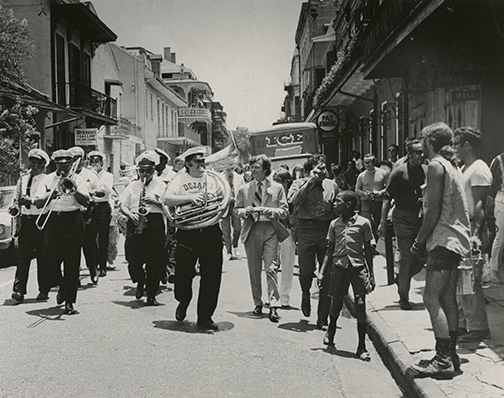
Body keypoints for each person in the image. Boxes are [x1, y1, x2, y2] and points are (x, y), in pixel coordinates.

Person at [408, 122, 471, 379]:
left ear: (429, 141)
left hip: (443, 240)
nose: (421, 145)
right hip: (455, 239)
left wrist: (419, 241)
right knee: (446, 298)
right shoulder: (451, 165)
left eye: (423, 139)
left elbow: (432, 210)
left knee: (431, 297)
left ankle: (443, 358)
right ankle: (451, 355)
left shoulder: (435, 165)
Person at [163, 147, 225, 330]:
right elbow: (166, 199)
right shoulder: (180, 179)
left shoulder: (214, 178)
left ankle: (205, 317)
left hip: (211, 230)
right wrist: (190, 198)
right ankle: (183, 300)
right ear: (188, 164)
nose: (203, 165)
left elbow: (225, 198)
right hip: (188, 232)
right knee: (182, 274)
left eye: (204, 161)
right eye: (198, 162)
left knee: (212, 277)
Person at [317, 190, 375, 360]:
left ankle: (361, 346)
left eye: (337, 202)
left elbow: (368, 251)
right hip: (339, 266)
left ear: (348, 205)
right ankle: (331, 330)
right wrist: (321, 273)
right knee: (336, 302)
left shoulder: (364, 223)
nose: (334, 205)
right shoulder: (334, 224)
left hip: (357, 267)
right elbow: (330, 250)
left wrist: (371, 275)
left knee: (360, 303)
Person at [235, 155, 289, 323]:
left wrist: (270, 211)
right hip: (252, 229)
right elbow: (236, 210)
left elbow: (285, 210)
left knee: (271, 268)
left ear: (266, 169)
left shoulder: (277, 187)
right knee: (254, 268)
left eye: (257, 167)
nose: (253, 170)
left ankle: (274, 305)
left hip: (270, 229)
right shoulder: (244, 189)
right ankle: (257, 302)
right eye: (252, 167)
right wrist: (245, 212)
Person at [35, 149, 90, 315]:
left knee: (72, 262)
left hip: (73, 219)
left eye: (67, 163)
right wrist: (51, 195)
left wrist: (73, 190)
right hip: (53, 219)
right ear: (55, 164)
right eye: (60, 163)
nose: (63, 166)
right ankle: (63, 285)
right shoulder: (47, 179)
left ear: (71, 163)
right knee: (49, 258)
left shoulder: (78, 179)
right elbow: (38, 203)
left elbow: (85, 201)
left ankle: (69, 302)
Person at [288, 154, 339, 329]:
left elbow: (338, 208)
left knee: (327, 273)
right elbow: (293, 202)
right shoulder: (298, 183)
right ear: (310, 171)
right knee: (305, 271)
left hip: (326, 229)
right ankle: (305, 293)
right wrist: (309, 182)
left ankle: (322, 317)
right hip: (306, 228)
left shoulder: (332, 185)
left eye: (325, 168)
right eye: (319, 169)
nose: (323, 172)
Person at [378, 139, 426, 310]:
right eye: (417, 152)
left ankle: (401, 278)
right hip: (403, 219)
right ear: (409, 154)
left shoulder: (427, 170)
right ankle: (403, 297)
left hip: (422, 220)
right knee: (406, 258)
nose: (421, 155)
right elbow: (386, 198)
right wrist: (383, 222)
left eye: (422, 152)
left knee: (423, 257)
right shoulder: (399, 172)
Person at [453, 127, 491, 343]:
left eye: (457, 144)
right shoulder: (465, 168)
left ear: (467, 145)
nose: (455, 148)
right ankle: (464, 324)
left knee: (470, 282)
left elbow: (480, 204)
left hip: (471, 230)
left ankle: (478, 327)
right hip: (462, 229)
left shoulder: (478, 169)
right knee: (462, 281)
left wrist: (475, 234)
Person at [120, 151, 167, 306]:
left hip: (154, 221)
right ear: (137, 170)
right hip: (135, 220)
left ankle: (151, 294)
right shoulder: (132, 185)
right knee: (133, 258)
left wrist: (156, 202)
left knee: (154, 260)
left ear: (154, 170)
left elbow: (169, 206)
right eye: (142, 171)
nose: (145, 174)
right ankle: (140, 281)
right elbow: (121, 205)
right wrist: (130, 214)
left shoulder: (161, 185)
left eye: (148, 170)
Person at [10, 149, 51, 302]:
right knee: (22, 257)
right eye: (31, 161)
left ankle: (44, 290)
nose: (32, 165)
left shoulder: (47, 180)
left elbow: (47, 200)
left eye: (35, 162)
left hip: (41, 220)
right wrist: (15, 207)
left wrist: (31, 201)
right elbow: (17, 199)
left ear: (42, 164)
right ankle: (19, 291)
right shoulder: (22, 180)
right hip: (26, 221)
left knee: (43, 256)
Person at [69, 146, 106, 284]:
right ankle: (75, 275)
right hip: (72, 213)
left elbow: (102, 190)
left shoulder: (90, 174)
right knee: (73, 246)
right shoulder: (68, 174)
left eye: (78, 159)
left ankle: (92, 270)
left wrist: (92, 193)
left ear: (84, 160)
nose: (75, 162)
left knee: (89, 244)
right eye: (72, 159)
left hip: (88, 211)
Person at [88, 150, 114, 277]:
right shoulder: (87, 174)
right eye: (91, 161)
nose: (94, 163)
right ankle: (94, 265)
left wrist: (95, 177)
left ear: (102, 163)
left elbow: (106, 191)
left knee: (103, 237)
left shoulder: (108, 175)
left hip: (103, 206)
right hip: (92, 206)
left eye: (97, 161)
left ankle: (103, 266)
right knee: (91, 237)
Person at [273, 169, 296, 308]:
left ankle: (284, 297)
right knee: (272, 265)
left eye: (279, 180)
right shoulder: (272, 193)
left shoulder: (293, 195)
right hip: (273, 229)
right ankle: (272, 295)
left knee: (288, 264)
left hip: (288, 232)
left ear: (287, 182)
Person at [355, 154, 388, 247]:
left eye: (369, 162)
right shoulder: (361, 175)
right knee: (366, 222)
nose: (367, 165)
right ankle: (368, 244)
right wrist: (364, 194)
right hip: (366, 201)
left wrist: (380, 193)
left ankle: (374, 244)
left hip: (378, 201)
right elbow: (357, 190)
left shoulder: (383, 173)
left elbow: (389, 187)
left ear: (374, 162)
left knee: (377, 223)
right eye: (365, 163)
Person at [487, 151, 504, 285]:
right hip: (502, 199)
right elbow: (491, 185)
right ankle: (494, 270)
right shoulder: (498, 160)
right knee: (500, 237)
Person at [221, 166, 244, 260]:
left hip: (236, 205)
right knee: (226, 230)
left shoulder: (239, 177)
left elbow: (243, 190)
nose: (228, 170)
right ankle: (228, 251)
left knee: (238, 227)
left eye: (230, 167)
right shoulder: (220, 177)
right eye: (227, 168)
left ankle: (235, 245)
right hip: (225, 206)